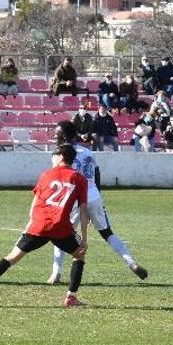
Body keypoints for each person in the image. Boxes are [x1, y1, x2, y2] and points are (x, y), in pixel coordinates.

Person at [0, 144, 89, 307]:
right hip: (60, 227)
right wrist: (84, 238)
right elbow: (84, 210)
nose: (52, 159)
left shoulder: (46, 175)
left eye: (54, 156)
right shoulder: (80, 179)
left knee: (12, 257)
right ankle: (71, 297)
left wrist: (30, 224)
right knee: (79, 255)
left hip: (39, 225)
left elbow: (35, 203)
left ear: (61, 157)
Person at [47, 122, 148, 285]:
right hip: (93, 196)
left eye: (56, 135)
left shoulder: (59, 154)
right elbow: (97, 173)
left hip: (73, 199)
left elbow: (59, 179)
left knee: (61, 235)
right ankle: (131, 262)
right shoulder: (87, 151)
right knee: (107, 233)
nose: (54, 137)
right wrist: (94, 200)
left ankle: (56, 273)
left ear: (64, 137)